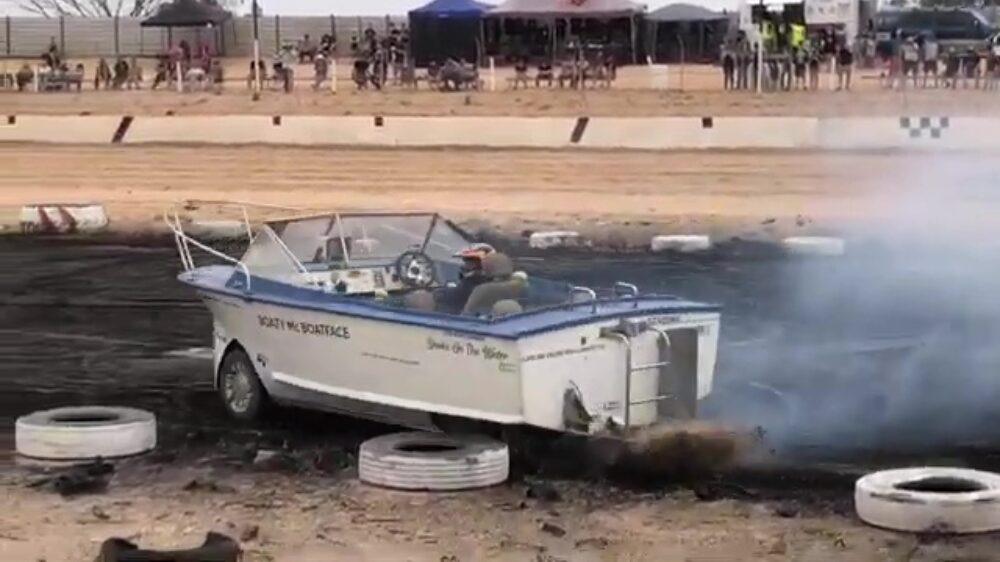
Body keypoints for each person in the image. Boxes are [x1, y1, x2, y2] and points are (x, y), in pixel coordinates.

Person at [435, 244, 496, 314]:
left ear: (482, 264)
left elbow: (454, 295)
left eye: (470, 261)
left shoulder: (473, 282)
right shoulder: (492, 282)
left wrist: (438, 292)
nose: (465, 265)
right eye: (466, 261)